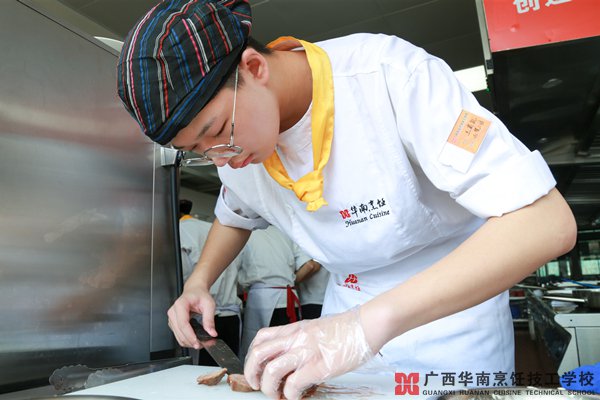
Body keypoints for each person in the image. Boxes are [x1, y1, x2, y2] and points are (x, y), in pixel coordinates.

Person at [117, 1, 577, 399]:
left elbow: (545, 222)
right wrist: (199, 282)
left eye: (216, 132)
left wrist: (364, 326)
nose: (221, 158)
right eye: (199, 150)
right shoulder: (237, 150)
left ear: (254, 68)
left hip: (450, 313)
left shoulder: (389, 75)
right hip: (340, 322)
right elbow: (235, 213)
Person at [178, 199, 242, 364]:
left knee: (203, 371)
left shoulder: (181, 231)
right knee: (230, 368)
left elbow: (182, 275)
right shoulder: (214, 228)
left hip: (203, 318)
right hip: (231, 315)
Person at [237, 224, 313, 360]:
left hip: (262, 299)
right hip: (288, 297)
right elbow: (309, 265)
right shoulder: (285, 232)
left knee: (259, 350)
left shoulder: (245, 232)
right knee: (289, 351)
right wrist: (289, 282)